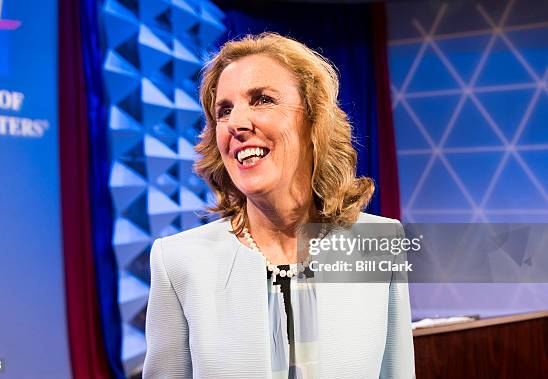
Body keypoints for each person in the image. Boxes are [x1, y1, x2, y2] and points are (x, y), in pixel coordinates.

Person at [142, 32, 415, 378]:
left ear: (313, 120)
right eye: (223, 111)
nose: (237, 124)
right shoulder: (178, 262)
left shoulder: (380, 243)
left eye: (262, 100)